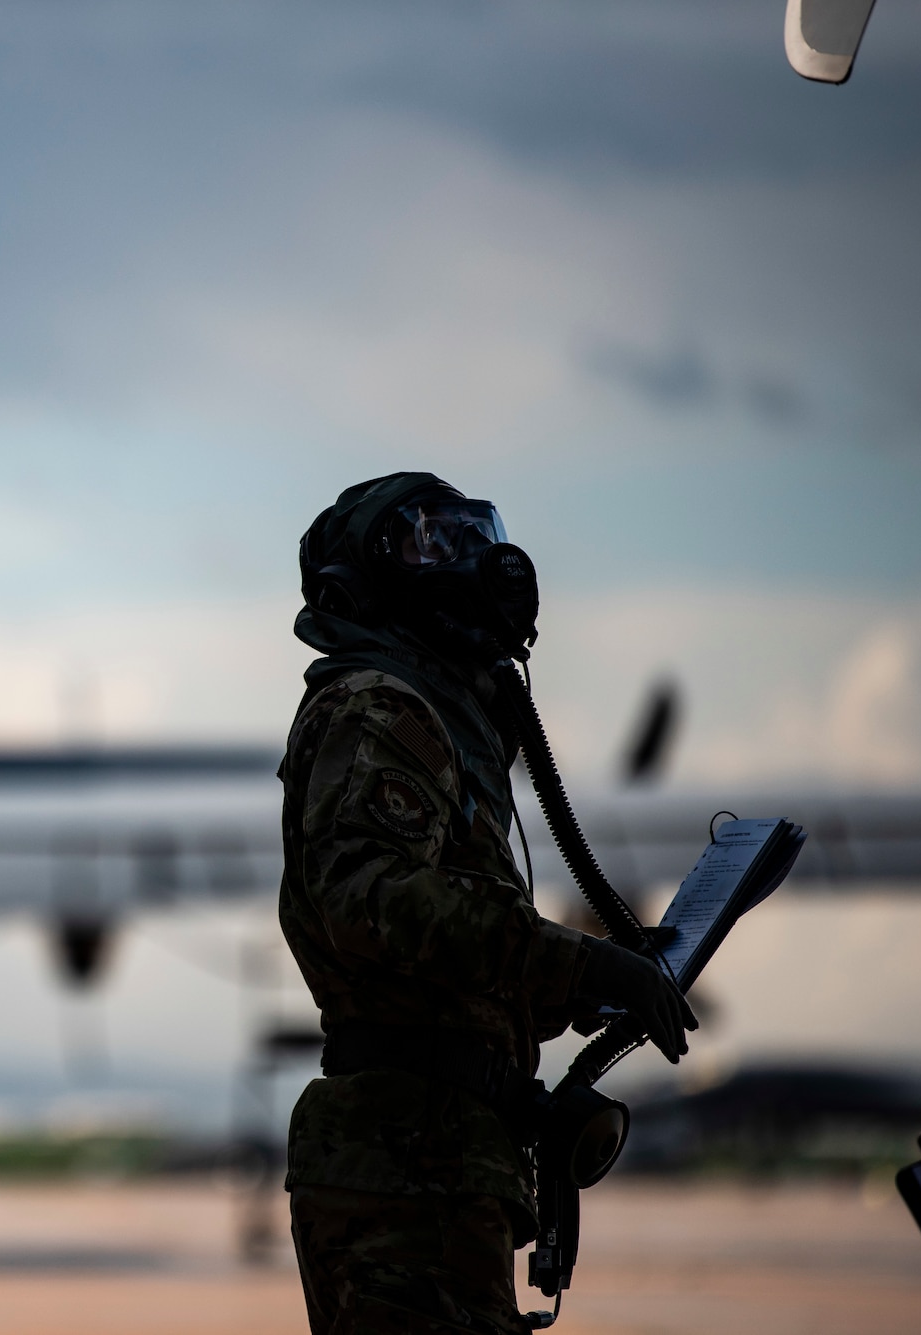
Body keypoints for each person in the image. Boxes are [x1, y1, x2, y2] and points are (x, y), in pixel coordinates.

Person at [279, 472, 696, 1334]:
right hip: (408, 1168)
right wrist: (572, 960)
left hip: (437, 1160)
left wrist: (556, 989)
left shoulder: (432, 718)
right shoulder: (379, 709)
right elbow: (372, 900)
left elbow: (432, 943)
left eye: (473, 533)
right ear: (364, 580)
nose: (469, 558)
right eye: (429, 541)